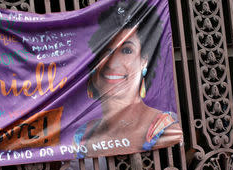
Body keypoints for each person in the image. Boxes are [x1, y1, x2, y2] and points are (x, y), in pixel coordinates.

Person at [75, 0, 182, 158]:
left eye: (126, 50)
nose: (112, 63)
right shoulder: (83, 134)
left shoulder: (164, 128)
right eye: (105, 51)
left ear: (144, 60)